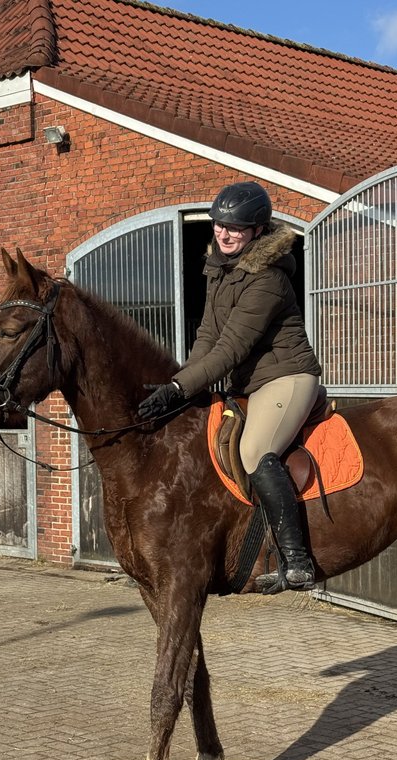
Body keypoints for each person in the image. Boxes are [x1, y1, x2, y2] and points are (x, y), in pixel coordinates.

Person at [137, 182, 323, 592]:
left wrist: (178, 389)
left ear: (257, 231)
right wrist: (180, 382)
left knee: (254, 450)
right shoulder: (219, 269)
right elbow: (207, 336)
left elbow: (231, 349)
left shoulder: (268, 279)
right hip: (249, 384)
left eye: (235, 228)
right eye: (220, 225)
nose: (224, 233)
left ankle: (297, 561)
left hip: (287, 378)